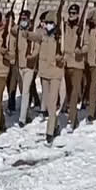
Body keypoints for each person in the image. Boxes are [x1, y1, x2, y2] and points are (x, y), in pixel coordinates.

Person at [27, 13, 65, 143]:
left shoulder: (60, 37)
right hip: (44, 72)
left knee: (53, 102)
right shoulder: (42, 34)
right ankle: (55, 125)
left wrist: (61, 58)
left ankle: (49, 132)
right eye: (46, 22)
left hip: (55, 73)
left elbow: (64, 53)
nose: (47, 24)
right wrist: (26, 33)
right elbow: (35, 37)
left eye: (50, 22)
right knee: (48, 103)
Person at [63, 4, 87, 131]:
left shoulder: (82, 28)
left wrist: (81, 50)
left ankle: (71, 119)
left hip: (77, 64)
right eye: (70, 12)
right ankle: (74, 116)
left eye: (74, 13)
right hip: (66, 63)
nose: (72, 15)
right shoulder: (65, 26)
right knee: (68, 91)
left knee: (74, 92)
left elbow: (87, 44)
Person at [14, 9, 40, 126]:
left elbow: (37, 48)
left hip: (29, 66)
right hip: (20, 65)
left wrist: (32, 56)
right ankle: (27, 114)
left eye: (25, 19)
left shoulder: (33, 32)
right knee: (22, 91)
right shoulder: (18, 31)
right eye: (22, 18)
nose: (23, 21)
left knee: (25, 92)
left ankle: (22, 119)